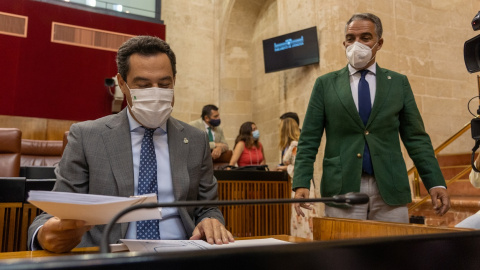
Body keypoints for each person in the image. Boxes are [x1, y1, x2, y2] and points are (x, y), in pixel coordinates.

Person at [28, 36, 234, 253]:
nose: (156, 92)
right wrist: (45, 234)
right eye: (143, 85)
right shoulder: (87, 137)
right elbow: (55, 214)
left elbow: (207, 208)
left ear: (174, 80)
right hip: (111, 258)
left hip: (181, 255)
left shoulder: (195, 139)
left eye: (164, 84)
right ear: (122, 84)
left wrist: (211, 220)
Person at [292, 13, 450, 223]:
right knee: (345, 253)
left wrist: (435, 182)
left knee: (392, 253)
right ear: (344, 43)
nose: (356, 44)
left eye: (365, 38)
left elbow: (416, 138)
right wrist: (301, 182)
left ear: (379, 43)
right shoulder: (325, 84)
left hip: (390, 187)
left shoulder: (398, 83)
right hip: (342, 186)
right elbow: (309, 138)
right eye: (350, 38)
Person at [276, 117, 317, 239]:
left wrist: (284, 168)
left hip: (301, 185)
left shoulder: (295, 145)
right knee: (298, 215)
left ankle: (303, 240)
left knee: (302, 215)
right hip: (297, 184)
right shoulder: (293, 145)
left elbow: (299, 167)